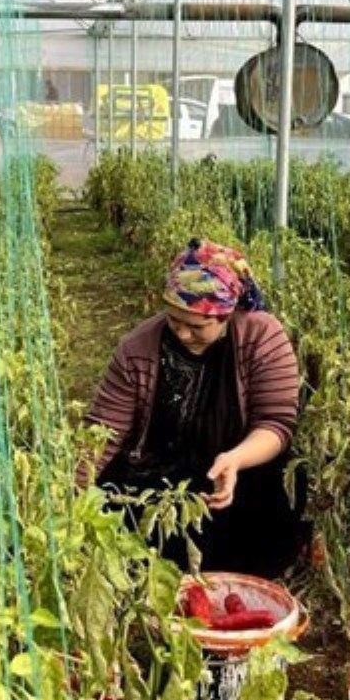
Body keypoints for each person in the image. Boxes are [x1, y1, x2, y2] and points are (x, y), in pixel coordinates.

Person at [84, 239, 306, 579]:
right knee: (124, 507)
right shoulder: (138, 349)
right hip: (163, 474)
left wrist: (236, 459)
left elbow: (275, 423)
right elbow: (103, 433)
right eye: (175, 321)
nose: (183, 334)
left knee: (285, 485)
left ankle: (245, 571)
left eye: (197, 326)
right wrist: (72, 494)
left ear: (226, 315)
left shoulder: (261, 336)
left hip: (235, 473)